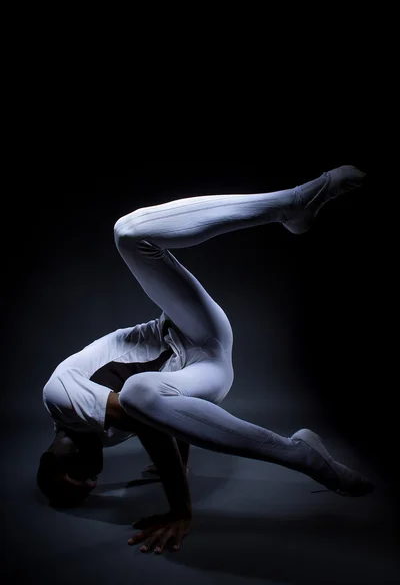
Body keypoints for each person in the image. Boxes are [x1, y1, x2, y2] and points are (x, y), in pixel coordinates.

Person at [37, 165, 374, 555]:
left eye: (74, 478)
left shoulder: (59, 397)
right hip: (204, 373)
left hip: (191, 330)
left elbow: (151, 425)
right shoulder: (97, 435)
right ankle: (305, 457)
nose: (91, 482)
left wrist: (179, 507)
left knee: (130, 234)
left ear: (52, 459)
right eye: (88, 489)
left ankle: (294, 203)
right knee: (137, 393)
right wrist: (177, 458)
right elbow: (158, 412)